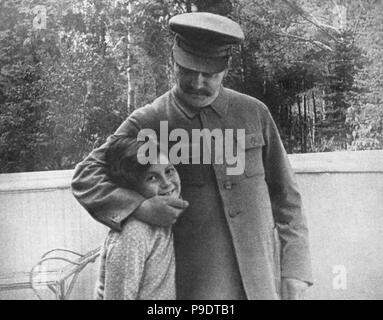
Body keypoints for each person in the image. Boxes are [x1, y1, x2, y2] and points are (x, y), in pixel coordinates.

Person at [72, 12, 313, 300]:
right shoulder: (149, 120)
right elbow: (86, 176)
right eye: (188, 70)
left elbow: (287, 198)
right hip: (196, 288)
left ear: (226, 68)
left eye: (209, 74)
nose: (198, 83)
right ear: (174, 61)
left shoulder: (255, 113)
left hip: (262, 281)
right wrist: (139, 207)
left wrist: (296, 270)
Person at [95, 135, 181, 300]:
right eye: (152, 177)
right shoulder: (133, 232)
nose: (167, 183)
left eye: (169, 171)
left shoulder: (166, 213)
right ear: (131, 187)